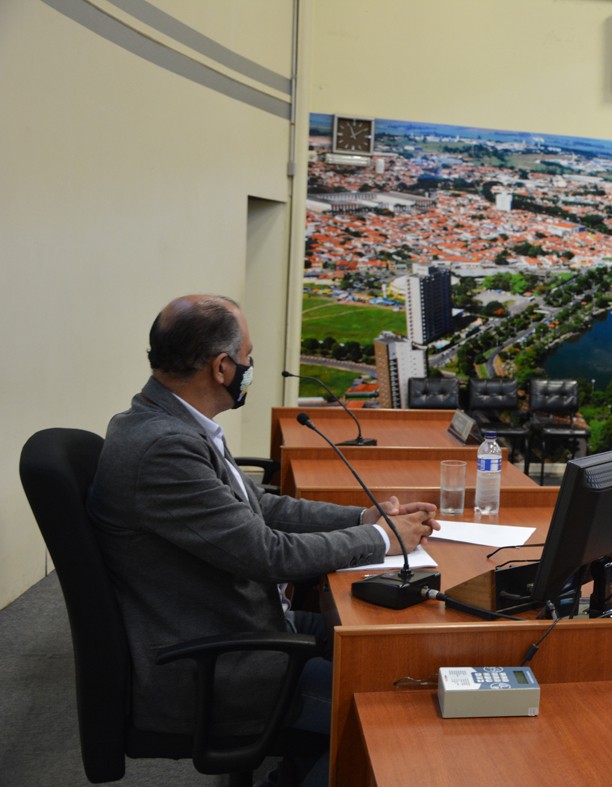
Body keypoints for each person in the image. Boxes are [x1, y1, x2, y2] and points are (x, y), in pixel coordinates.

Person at [87, 295, 440, 786]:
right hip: (219, 665)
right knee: (399, 706)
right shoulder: (165, 447)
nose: (251, 367)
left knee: (389, 651)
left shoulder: (172, 421)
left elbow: (264, 509)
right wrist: (380, 537)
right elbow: (268, 554)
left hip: (241, 621)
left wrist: (363, 516)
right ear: (221, 367)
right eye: (248, 356)